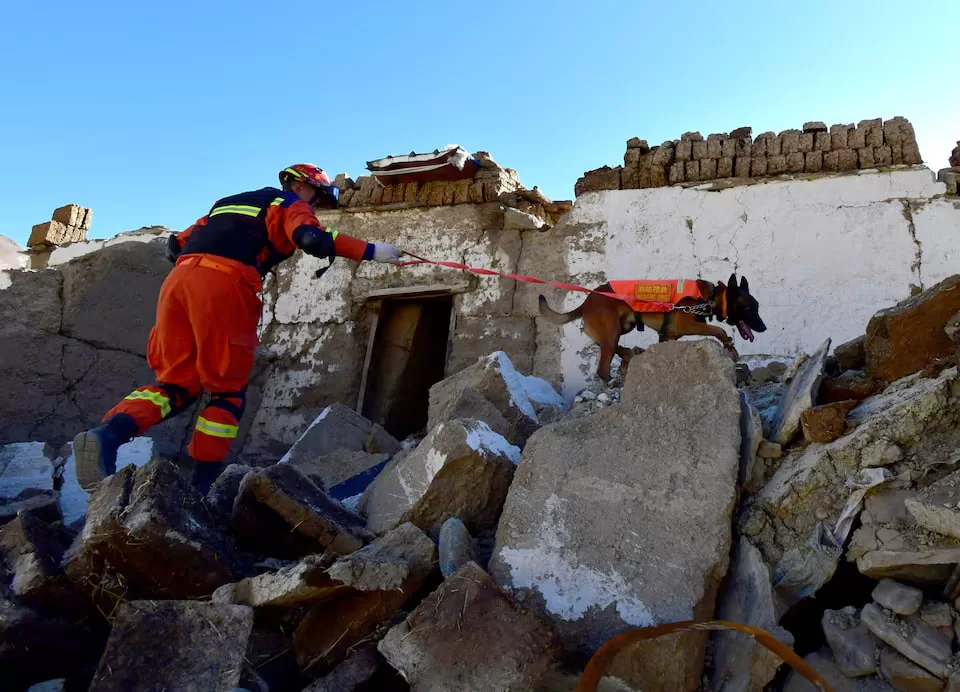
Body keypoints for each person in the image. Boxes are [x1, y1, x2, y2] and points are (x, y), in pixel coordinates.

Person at [72, 164, 402, 494]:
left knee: (176, 385)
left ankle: (107, 437)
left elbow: (175, 245)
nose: (316, 208)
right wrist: (373, 251)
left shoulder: (228, 204)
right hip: (225, 284)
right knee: (227, 391)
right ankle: (202, 488)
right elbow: (310, 237)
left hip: (178, 282)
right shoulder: (290, 204)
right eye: (318, 199)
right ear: (303, 187)